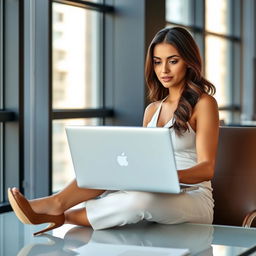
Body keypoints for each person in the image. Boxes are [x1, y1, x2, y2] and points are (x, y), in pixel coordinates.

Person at [8, 26, 219, 236]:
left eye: (172, 61)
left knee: (139, 201)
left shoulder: (204, 103)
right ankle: (55, 203)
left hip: (194, 197)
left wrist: (165, 176)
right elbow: (144, 159)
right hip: (156, 188)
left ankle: (64, 216)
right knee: (106, 169)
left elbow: (206, 168)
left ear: (189, 62)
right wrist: (137, 174)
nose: (164, 70)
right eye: (157, 62)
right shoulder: (152, 110)